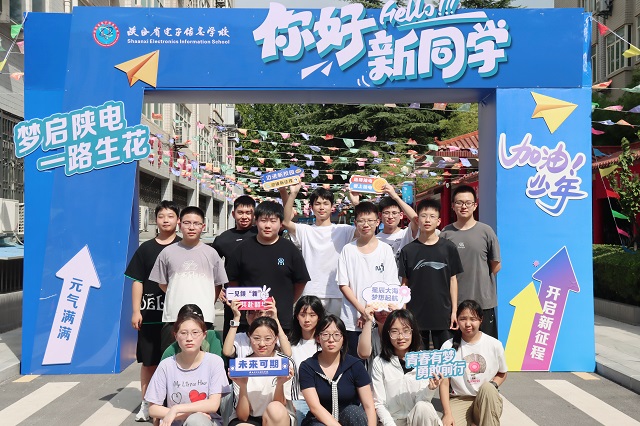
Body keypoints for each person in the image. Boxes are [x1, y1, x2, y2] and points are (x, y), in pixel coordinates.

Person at [125, 200, 181, 422]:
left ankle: (173, 402)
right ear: (155, 220)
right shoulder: (146, 249)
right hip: (150, 314)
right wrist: (135, 311)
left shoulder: (184, 246)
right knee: (149, 362)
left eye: (170, 216)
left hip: (176, 316)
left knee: (177, 361)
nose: (166, 220)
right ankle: (146, 403)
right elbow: (137, 281)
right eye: (161, 216)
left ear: (178, 220)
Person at [149, 206, 228, 353]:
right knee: (172, 360)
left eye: (196, 223)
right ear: (179, 224)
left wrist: (207, 302)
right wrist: (176, 293)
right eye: (187, 223)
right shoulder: (167, 252)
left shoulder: (211, 253)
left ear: (203, 226)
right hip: (173, 317)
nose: (191, 227)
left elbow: (218, 285)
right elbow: (162, 283)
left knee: (203, 361)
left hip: (204, 318)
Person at [226, 201, 310, 334]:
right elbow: (232, 280)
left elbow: (301, 281)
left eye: (273, 221)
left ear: (281, 224)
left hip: (281, 320)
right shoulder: (242, 249)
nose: (267, 225)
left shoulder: (290, 250)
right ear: (256, 221)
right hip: (248, 319)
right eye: (263, 220)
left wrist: (287, 302)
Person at [145, 304, 230, 426]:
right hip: (174, 422)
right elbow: (153, 409)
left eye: (195, 332)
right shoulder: (166, 365)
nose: (189, 338)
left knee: (196, 421)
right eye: (183, 333)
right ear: (176, 336)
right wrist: (184, 414)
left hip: (205, 422)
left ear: (204, 335)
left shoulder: (214, 362)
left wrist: (176, 409)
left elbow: (213, 404)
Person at [280, 183, 357, 317]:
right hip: (311, 291)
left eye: (326, 203)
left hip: (337, 292)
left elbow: (364, 227)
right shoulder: (305, 230)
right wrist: (293, 194)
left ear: (332, 207)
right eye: (317, 204)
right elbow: (286, 222)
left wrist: (356, 204)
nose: (321, 207)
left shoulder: (344, 230)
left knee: (335, 329)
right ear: (311, 207)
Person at [399, 199, 463, 350]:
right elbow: (404, 284)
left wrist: (454, 311)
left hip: (443, 314)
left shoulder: (449, 248)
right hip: (415, 315)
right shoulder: (408, 251)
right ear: (417, 220)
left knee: (446, 356)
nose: (427, 220)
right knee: (417, 358)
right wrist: (403, 312)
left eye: (432, 216)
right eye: (423, 216)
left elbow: (453, 281)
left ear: (438, 221)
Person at [338, 202, 399, 357]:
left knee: (382, 360)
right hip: (352, 319)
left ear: (377, 222)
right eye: (361, 221)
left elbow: (391, 284)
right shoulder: (348, 250)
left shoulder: (385, 250)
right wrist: (362, 311)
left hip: (381, 317)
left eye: (370, 221)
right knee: (355, 361)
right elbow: (343, 285)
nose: (366, 225)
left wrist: (373, 312)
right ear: (355, 223)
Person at [440, 185, 501, 339]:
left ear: (475, 205)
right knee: (457, 349)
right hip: (455, 305)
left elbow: (496, 265)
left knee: (486, 347)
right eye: (459, 203)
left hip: (483, 302)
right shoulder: (445, 234)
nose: (464, 206)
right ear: (453, 206)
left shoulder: (486, 232)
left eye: (468, 203)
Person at [439, 300, 508, 426]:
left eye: (473, 319)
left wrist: (493, 385)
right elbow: (444, 383)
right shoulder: (447, 346)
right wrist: (447, 414)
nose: (468, 324)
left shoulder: (494, 345)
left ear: (481, 320)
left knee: (488, 388)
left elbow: (502, 373)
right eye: (463, 319)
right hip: (460, 399)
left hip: (486, 398)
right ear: (457, 320)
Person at [299, 315, 376, 426]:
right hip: (318, 420)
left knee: (354, 412)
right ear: (318, 338)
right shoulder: (307, 367)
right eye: (325, 335)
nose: (331, 340)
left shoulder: (355, 365)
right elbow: (315, 407)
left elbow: (368, 406)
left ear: (343, 338)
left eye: (336, 335)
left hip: (348, 418)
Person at [371, 309, 443, 426]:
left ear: (413, 332)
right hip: (393, 421)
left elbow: (423, 402)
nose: (400, 337)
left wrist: (430, 389)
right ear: (388, 334)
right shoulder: (379, 362)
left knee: (423, 407)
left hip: (417, 419)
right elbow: (379, 403)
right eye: (394, 331)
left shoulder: (423, 359)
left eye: (406, 331)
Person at [228, 316, 296, 426]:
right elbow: (243, 416)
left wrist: (280, 383)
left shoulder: (285, 364)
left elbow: (280, 405)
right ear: (249, 337)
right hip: (249, 418)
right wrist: (243, 386)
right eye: (256, 338)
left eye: (268, 339)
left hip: (277, 418)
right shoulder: (241, 366)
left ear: (276, 339)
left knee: (275, 409)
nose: (262, 344)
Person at [211, 195, 258, 338]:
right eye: (240, 212)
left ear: (254, 214)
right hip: (233, 296)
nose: (244, 216)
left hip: (257, 295)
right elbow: (212, 265)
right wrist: (218, 289)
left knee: (258, 334)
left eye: (248, 213)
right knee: (232, 335)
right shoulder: (223, 239)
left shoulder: (261, 233)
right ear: (233, 214)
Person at [351, 184, 419, 262]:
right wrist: (356, 204)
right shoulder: (375, 239)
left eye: (394, 213)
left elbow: (416, 220)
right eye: (386, 213)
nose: (390, 217)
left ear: (401, 215)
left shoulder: (407, 234)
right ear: (380, 215)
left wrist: (395, 197)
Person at [288, 296, 326, 425]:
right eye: (303, 315)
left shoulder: (327, 343)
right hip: (297, 401)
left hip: (323, 401)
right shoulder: (289, 345)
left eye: (312, 315)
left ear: (319, 317)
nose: (307, 319)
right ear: (297, 316)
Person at [223, 298, 292, 359]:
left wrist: (275, 318)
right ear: (246, 316)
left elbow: (287, 353)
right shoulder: (240, 337)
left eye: (260, 312)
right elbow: (227, 352)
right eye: (251, 312)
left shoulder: (273, 336)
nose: (256, 316)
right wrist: (236, 317)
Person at [356, 304, 394, 374]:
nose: (384, 313)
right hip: (374, 379)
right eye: (379, 310)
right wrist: (368, 320)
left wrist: (398, 317)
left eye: (388, 309)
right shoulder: (368, 335)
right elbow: (364, 354)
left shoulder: (402, 336)